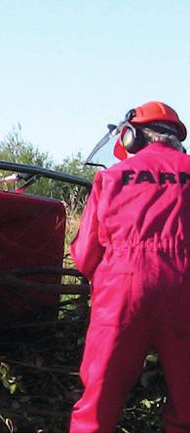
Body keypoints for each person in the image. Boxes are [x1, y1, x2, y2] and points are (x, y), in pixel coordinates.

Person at [70, 100, 190, 433]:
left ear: (131, 137)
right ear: (177, 139)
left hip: (124, 284)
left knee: (97, 403)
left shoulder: (110, 177)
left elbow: (85, 255)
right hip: (186, 289)